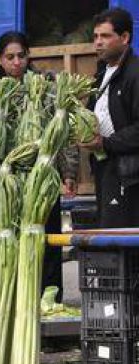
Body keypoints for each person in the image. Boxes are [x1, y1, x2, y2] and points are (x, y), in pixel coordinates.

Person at [0, 30, 79, 303]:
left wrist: (69, 172)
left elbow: (64, 133)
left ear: (28, 56)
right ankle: (19, 303)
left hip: (44, 179)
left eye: (21, 55)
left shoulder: (47, 87)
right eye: (10, 57)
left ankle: (50, 302)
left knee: (49, 241)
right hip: (10, 184)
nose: (16, 62)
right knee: (15, 242)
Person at [79, 8, 139, 228]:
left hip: (130, 176)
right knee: (110, 236)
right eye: (95, 37)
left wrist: (106, 143)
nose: (98, 42)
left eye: (105, 36)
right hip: (107, 170)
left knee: (124, 242)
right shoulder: (102, 75)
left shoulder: (135, 73)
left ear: (124, 38)